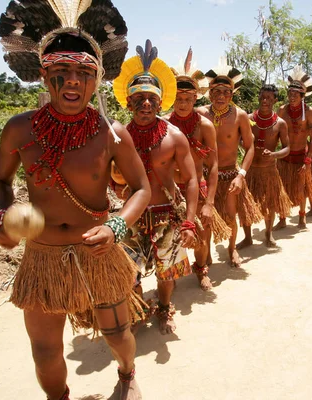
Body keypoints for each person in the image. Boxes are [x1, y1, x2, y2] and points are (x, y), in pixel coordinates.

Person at [0, 3, 149, 399]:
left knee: (117, 332)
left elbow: (141, 188)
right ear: (44, 75)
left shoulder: (111, 133)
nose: (72, 82)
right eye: (61, 72)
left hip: (99, 254)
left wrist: (116, 227)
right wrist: (2, 218)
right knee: (44, 349)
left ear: (97, 79)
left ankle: (127, 375)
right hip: (42, 259)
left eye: (84, 72)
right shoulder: (20, 130)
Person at [113, 40, 198, 334]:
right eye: (138, 99)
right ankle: (136, 312)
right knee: (129, 272)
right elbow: (105, 176)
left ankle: (164, 308)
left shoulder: (174, 137)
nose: (145, 104)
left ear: (161, 102)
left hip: (166, 214)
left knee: (167, 271)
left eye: (151, 98)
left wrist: (188, 221)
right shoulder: (117, 138)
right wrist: (116, 188)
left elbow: (191, 181)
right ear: (128, 102)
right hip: (131, 216)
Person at [166, 48, 230, 290]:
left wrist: (209, 202)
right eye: (178, 99)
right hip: (171, 190)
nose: (183, 104)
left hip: (199, 188)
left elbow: (213, 164)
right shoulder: (164, 125)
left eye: (187, 99)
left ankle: (201, 270)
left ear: (195, 99)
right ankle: (169, 279)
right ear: (172, 99)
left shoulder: (205, 125)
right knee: (171, 237)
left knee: (203, 236)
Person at [197, 59, 263, 268]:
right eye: (216, 91)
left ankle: (232, 248)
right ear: (209, 92)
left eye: (226, 92)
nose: (221, 96)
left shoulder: (240, 116)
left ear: (232, 95)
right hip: (206, 176)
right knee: (206, 218)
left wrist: (241, 174)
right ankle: (205, 255)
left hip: (229, 175)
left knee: (231, 215)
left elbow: (250, 147)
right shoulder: (200, 114)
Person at [240, 84, 291, 247]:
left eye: (269, 98)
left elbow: (287, 148)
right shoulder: (247, 119)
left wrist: (274, 155)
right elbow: (238, 140)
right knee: (245, 204)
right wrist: (246, 146)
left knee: (270, 204)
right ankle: (248, 237)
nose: (265, 100)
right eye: (262, 97)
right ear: (258, 97)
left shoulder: (280, 123)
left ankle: (268, 234)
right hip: (249, 170)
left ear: (275, 100)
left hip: (269, 170)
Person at [275, 66, 312, 229]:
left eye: (295, 94)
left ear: (302, 96)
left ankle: (302, 216)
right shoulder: (282, 110)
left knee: (301, 188)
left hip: (301, 155)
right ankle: (282, 218)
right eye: (290, 94)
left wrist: (308, 160)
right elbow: (275, 132)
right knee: (282, 188)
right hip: (284, 156)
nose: (291, 97)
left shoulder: (310, 112)